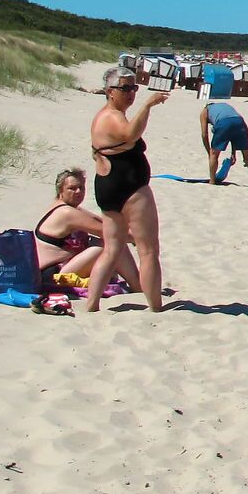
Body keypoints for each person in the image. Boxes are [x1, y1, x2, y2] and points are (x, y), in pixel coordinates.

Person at [83, 65, 168, 313]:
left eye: (134, 88)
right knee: (148, 250)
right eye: (125, 88)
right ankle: (156, 307)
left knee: (113, 250)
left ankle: (92, 303)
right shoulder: (111, 116)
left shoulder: (106, 116)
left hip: (110, 187)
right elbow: (130, 134)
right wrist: (148, 105)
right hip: (128, 188)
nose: (131, 93)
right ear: (110, 91)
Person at [33, 168, 140, 291]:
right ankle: (138, 286)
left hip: (62, 268)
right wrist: (138, 239)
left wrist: (130, 231)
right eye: (72, 188)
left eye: (81, 187)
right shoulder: (66, 213)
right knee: (113, 244)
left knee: (107, 243)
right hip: (54, 275)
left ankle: (138, 283)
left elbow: (102, 223)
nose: (78, 191)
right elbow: (109, 232)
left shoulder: (71, 209)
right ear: (60, 190)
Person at [200, 99, 248, 186]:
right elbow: (232, 133)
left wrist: (209, 152)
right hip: (240, 122)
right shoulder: (224, 105)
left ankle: (212, 181)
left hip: (223, 123)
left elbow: (204, 134)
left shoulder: (204, 111)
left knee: (214, 154)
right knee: (247, 155)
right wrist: (233, 153)